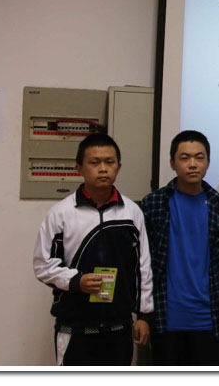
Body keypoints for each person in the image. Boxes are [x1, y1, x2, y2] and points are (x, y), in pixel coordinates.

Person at [33, 133, 153, 365]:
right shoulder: (61, 213)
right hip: (75, 328)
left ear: (119, 167)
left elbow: (143, 267)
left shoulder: (132, 212)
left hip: (119, 327)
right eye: (95, 162)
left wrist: (144, 315)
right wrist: (76, 281)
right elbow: (43, 265)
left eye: (109, 162)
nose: (103, 169)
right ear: (79, 168)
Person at [140, 130, 219, 365]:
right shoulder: (153, 204)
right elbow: (142, 265)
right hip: (166, 319)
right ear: (172, 163)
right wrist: (142, 314)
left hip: (211, 320)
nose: (193, 164)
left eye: (199, 157)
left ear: (208, 162)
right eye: (184, 158)